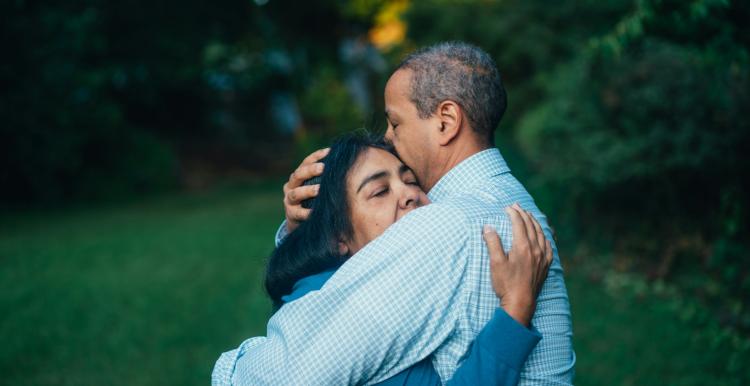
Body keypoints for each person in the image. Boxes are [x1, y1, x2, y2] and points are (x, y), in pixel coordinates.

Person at [218, 41, 575, 384]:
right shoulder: (510, 202)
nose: (388, 137)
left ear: (446, 121)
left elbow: (284, 375)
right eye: (379, 189)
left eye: (396, 122)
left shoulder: (446, 226)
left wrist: (229, 367)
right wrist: (307, 230)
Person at [213, 133, 552, 385]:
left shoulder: (338, 286)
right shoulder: (359, 323)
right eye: (379, 191)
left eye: (410, 180)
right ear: (338, 237)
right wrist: (515, 309)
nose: (409, 195)